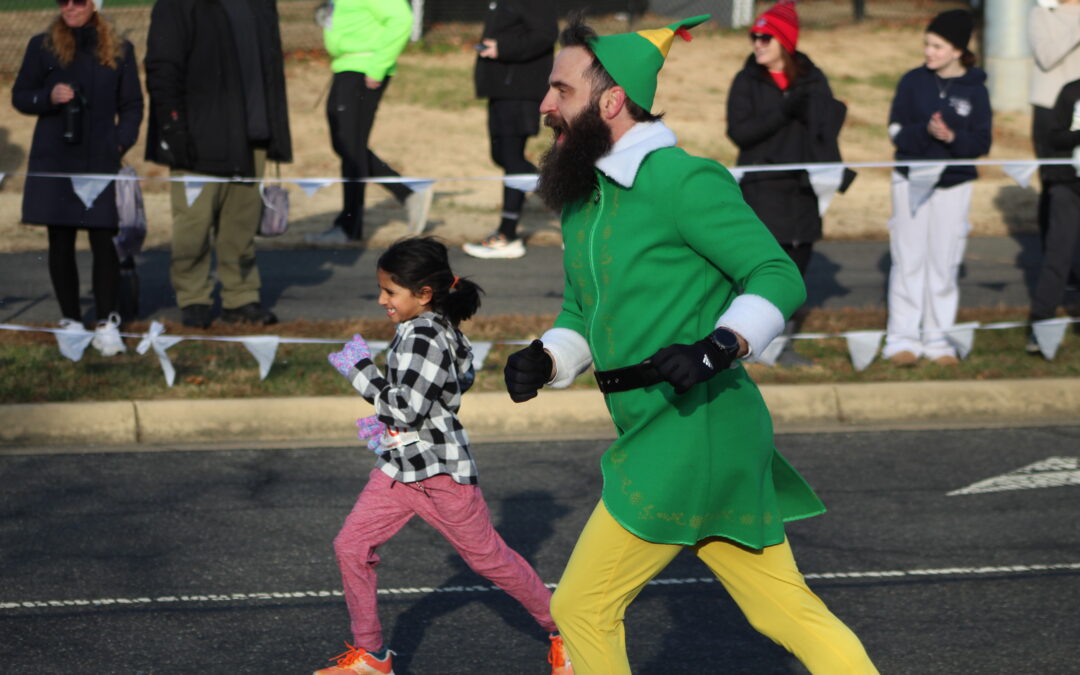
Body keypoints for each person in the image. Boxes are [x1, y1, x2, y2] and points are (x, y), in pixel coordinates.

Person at [504, 15, 877, 674]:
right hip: (672, 430)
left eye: (560, 90)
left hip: (695, 427)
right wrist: (550, 355)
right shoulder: (584, 197)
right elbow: (582, 308)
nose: (544, 104)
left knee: (584, 606)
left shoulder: (683, 180)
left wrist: (720, 344)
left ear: (611, 101)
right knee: (781, 610)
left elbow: (776, 273)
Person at [316, 237, 572, 675]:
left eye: (390, 292)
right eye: (381, 290)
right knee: (351, 546)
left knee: (489, 559)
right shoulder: (429, 330)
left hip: (440, 472)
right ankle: (372, 657)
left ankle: (567, 630)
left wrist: (360, 370)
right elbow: (462, 378)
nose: (381, 300)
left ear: (424, 294)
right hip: (400, 466)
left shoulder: (427, 335)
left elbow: (405, 408)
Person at [144, 0, 292, 328]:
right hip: (197, 139)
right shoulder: (178, 5)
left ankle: (241, 298)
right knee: (193, 228)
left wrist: (275, 134)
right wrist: (173, 127)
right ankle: (194, 298)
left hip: (250, 138)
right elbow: (162, 67)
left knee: (240, 229)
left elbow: (270, 71)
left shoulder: (260, 5)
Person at [12, 0, 143, 356]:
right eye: (63, 1)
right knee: (60, 239)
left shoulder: (120, 49)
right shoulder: (42, 46)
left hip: (101, 160)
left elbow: (132, 104)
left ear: (95, 5)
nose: (70, 7)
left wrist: (119, 143)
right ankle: (70, 321)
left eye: (79, 1)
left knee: (104, 240)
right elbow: (20, 96)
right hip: (55, 158)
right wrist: (48, 97)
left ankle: (106, 323)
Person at [727, 0, 849, 367]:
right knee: (760, 268)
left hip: (802, 190)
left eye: (766, 37)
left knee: (796, 268)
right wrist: (783, 108)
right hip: (762, 188)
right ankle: (743, 344)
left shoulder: (813, 78)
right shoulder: (746, 79)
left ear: (785, 42)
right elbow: (740, 132)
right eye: (755, 36)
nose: (758, 43)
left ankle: (782, 344)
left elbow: (826, 130)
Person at [882, 10, 991, 367]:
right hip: (911, 179)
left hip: (954, 184)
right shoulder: (912, 81)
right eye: (927, 44)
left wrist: (953, 137)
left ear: (958, 50)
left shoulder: (976, 89)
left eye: (937, 46)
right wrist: (925, 133)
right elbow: (896, 130)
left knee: (943, 262)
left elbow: (982, 142)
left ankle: (939, 339)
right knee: (908, 259)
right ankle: (902, 338)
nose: (929, 52)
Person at [307, 0, 434, 245]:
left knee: (350, 146)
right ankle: (408, 193)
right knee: (345, 145)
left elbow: (401, 19)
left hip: (363, 68)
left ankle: (349, 226)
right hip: (345, 66)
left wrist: (377, 66)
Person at [462, 0, 558, 259]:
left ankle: (508, 234)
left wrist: (502, 48)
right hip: (501, 89)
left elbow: (545, 35)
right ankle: (564, 203)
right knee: (503, 156)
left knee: (513, 159)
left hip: (520, 90)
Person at [1027, 77, 1080, 354]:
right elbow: (1053, 137)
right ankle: (1040, 325)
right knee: (1058, 256)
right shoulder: (1071, 91)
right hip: (1068, 187)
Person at [1029, 0, 1080, 251]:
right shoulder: (1041, 14)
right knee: (1055, 185)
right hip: (1051, 111)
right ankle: (1056, 263)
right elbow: (1047, 57)